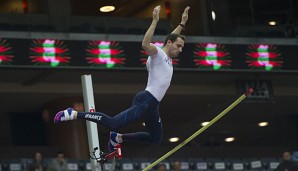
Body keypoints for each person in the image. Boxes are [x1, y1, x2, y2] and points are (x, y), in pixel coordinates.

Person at [54, 5, 190, 152]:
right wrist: (155, 21)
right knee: (113, 123)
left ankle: (118, 138)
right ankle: (73, 113)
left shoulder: (167, 55)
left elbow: (172, 37)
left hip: (153, 105)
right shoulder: (158, 54)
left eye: (182, 47)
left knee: (155, 139)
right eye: (178, 46)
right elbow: (145, 44)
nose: (180, 50)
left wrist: (182, 23)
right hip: (145, 100)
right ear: (169, 43)